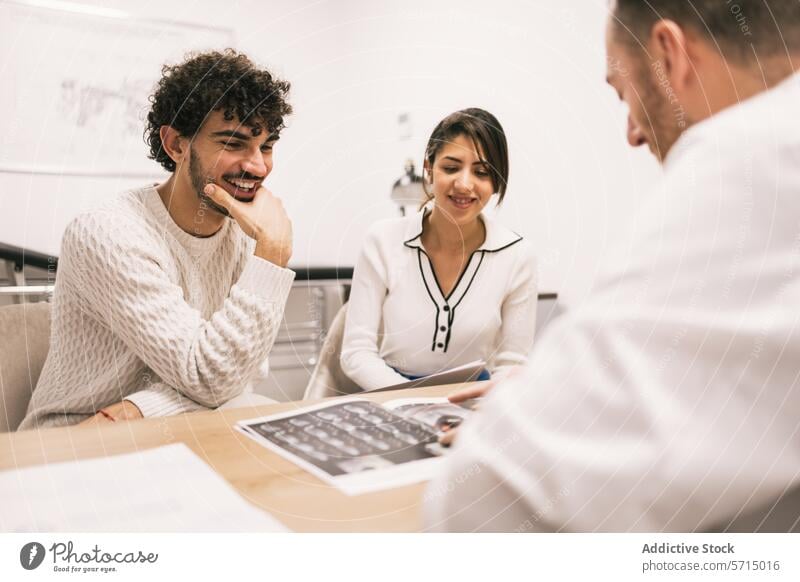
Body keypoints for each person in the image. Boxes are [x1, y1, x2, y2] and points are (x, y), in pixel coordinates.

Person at [425, 0, 800, 531]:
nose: (631, 132)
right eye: (451, 168)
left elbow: (492, 494)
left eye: (625, 94)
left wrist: (545, 416)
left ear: (671, 55)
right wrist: (557, 396)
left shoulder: (751, 157)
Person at [19, 49, 295, 430]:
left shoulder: (246, 233)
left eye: (265, 146)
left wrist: (141, 407)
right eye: (233, 143)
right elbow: (213, 378)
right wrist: (272, 257)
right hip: (82, 436)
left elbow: (243, 368)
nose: (257, 165)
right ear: (176, 145)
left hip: (163, 426)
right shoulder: (107, 232)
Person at [340, 108, 538, 391]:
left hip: (472, 403)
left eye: (482, 172)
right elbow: (356, 352)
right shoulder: (382, 241)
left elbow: (513, 364)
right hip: (391, 397)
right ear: (429, 169)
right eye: (451, 167)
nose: (464, 184)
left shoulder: (518, 256)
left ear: (496, 183)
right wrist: (412, 401)